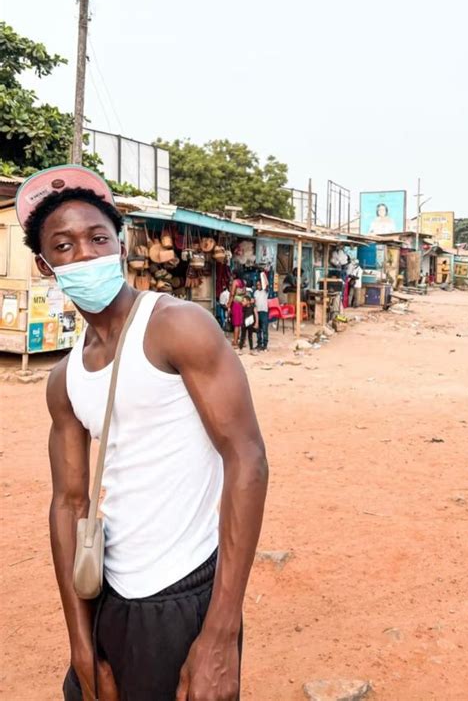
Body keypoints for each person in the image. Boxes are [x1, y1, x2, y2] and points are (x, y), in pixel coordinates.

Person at [16, 165, 268, 701]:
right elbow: (68, 502)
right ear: (44, 265)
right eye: (63, 246)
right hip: (108, 592)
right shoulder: (65, 379)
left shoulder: (177, 326)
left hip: (181, 590)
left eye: (97, 238)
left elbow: (246, 458)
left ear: (121, 242)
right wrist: (80, 642)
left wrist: (220, 634)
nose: (85, 255)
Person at [228, 269, 246, 348]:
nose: (232, 276)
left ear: (235, 274)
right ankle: (241, 341)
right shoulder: (243, 282)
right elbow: (244, 293)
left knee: (236, 324)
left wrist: (229, 304)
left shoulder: (235, 282)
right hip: (241, 303)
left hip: (235, 304)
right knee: (240, 324)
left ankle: (235, 341)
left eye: (233, 274)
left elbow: (232, 294)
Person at [254, 280, 269, 351]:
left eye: (259, 284)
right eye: (257, 285)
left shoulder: (265, 291)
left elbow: (267, 285)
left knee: (264, 329)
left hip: (264, 312)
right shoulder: (255, 293)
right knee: (258, 330)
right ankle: (259, 343)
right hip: (257, 312)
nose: (258, 286)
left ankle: (265, 344)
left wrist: (264, 277)